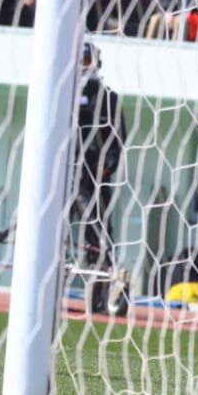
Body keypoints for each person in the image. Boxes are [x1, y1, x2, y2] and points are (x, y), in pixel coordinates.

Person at [73, 43, 125, 273]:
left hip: (94, 172)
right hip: (66, 171)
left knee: (98, 225)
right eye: (81, 62)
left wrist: (107, 166)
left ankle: (101, 269)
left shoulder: (108, 98)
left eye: (88, 62)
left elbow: (118, 136)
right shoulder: (65, 94)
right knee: (56, 223)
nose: (84, 68)